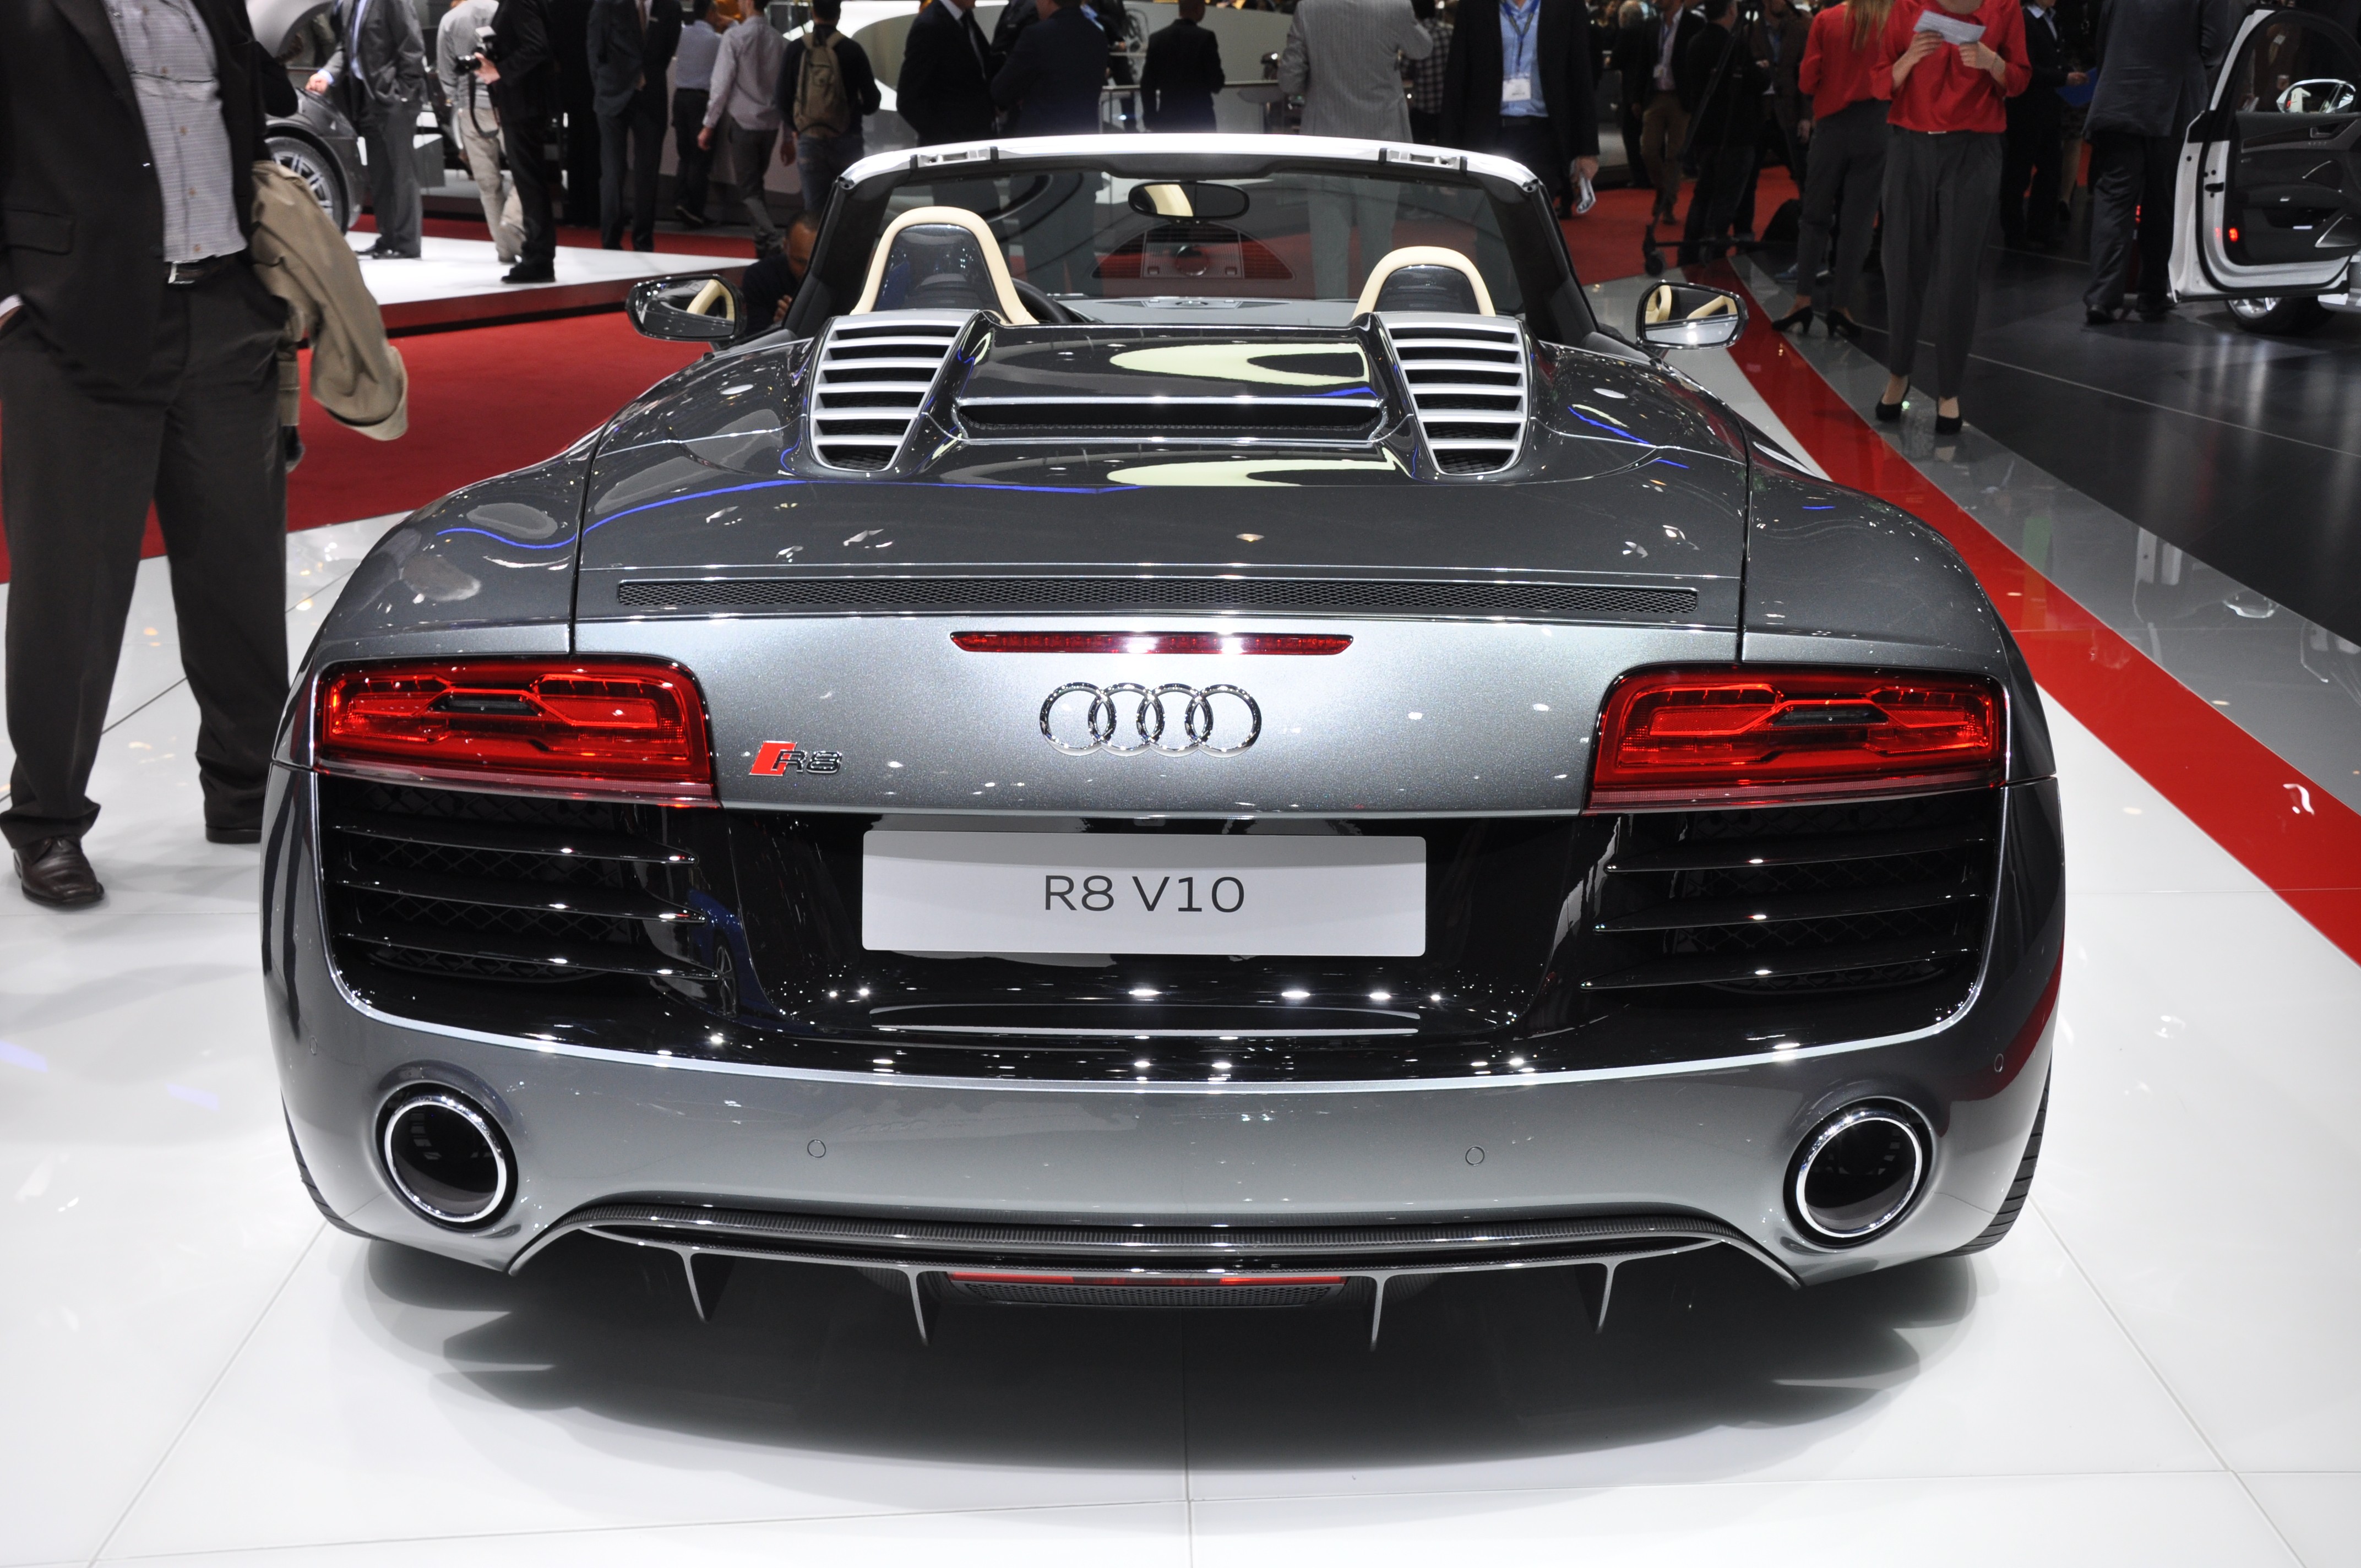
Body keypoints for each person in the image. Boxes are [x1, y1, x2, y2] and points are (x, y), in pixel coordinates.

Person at [1, 0, 293, 904]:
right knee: (72, 590)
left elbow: (251, 117)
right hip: (72, 324)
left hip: (224, 310)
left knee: (241, 573)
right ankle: (48, 819)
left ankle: (248, 791)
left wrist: (263, 296)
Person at [1874, 0, 2030, 434]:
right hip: (1910, 145)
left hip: (1973, 150)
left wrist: (1993, 62)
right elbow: (1879, 82)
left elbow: (2020, 80)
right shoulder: (1906, 6)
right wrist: (1910, 57)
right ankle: (1898, 373)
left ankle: (1949, 390)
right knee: (1901, 264)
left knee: (1959, 272)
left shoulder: (2004, 8)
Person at [2081, 0, 2231, 323]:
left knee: (2113, 201)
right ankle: (2151, 295)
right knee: (2162, 204)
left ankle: (2102, 299)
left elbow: (2102, 35)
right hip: (2171, 102)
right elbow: (2216, 45)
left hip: (2118, 97)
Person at [1277, 0, 1431, 295]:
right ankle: (1376, 315)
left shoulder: (1309, 8)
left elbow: (1289, 81)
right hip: (1381, 146)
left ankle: (1332, 318)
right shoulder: (1394, 6)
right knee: (1378, 246)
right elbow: (1422, 48)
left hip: (1325, 146)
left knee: (1328, 251)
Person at [1777, 0, 1891, 337]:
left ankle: (1802, 299)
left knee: (1815, 216)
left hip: (1832, 126)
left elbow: (1807, 81)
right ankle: (1842, 306)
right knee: (1859, 222)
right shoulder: (1892, 20)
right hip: (1877, 126)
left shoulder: (1827, 20)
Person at [1440, 0, 1601, 215]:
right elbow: (1456, 78)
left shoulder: (1566, 5)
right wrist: (1448, 151)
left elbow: (1581, 75)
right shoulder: (1475, 6)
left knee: (1535, 222)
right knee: (1489, 222)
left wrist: (1588, 150)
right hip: (1487, 135)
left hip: (1543, 136)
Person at [308, 0, 429, 257]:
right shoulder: (352, 4)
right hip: (368, 98)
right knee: (380, 173)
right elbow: (346, 47)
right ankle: (389, 239)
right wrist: (326, 74)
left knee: (402, 172)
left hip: (394, 98)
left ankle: (407, 243)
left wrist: (404, 92)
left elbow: (412, 44)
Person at [476, 0, 563, 281]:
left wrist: (499, 70)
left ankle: (539, 258)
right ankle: (537, 255)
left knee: (530, 182)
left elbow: (537, 47)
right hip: (526, 103)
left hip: (525, 104)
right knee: (529, 182)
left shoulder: (518, 2)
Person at [1676, 0, 1767, 262]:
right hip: (1735, 133)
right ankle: (1714, 249)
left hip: (1705, 131)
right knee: (1727, 197)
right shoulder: (1733, 45)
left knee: (1703, 193)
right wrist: (1762, 71)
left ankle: (1690, 250)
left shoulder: (1695, 42)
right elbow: (1756, 82)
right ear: (1731, 10)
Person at [589, 0, 683, 251]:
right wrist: (605, 87)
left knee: (648, 172)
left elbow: (667, 52)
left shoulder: (670, 7)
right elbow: (595, 50)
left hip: (651, 97)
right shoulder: (607, 5)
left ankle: (643, 240)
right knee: (613, 171)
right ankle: (611, 241)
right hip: (612, 95)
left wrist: (646, 79)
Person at [438, 0, 526, 263]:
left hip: (471, 108)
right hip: (506, 104)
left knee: (488, 184)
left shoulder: (451, 19)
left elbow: (447, 72)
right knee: (524, 173)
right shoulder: (502, 10)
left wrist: (459, 102)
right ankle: (512, 222)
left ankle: (504, 249)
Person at [777, 0, 879, 224]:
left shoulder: (796, 49)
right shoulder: (852, 50)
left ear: (813, 12)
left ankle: (815, 245)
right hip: (848, 139)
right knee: (848, 211)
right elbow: (873, 101)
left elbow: (782, 99)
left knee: (815, 215)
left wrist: (799, 127)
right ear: (839, 14)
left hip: (810, 141)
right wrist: (853, 111)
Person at [701, 0, 786, 248]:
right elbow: (785, 92)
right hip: (770, 125)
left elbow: (721, 85)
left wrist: (709, 125)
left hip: (743, 123)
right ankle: (762, 244)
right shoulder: (780, 41)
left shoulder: (734, 37)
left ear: (748, 2)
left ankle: (773, 239)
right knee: (756, 186)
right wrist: (789, 136)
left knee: (749, 190)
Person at [1999, 0, 2081, 249]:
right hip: (2025, 107)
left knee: (2051, 169)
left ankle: (2041, 229)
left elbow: (2053, 58)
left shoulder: (2052, 18)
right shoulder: (2024, 20)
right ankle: (2014, 232)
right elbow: (2028, 68)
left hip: (2049, 106)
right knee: (2019, 171)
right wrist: (2063, 77)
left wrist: (2066, 72)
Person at [993, 0, 1113, 137]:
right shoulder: (1097, 36)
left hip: (1042, 138)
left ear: (1047, 1)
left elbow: (1001, 90)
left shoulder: (1036, 36)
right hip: (1085, 134)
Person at [1633, 0, 1705, 224]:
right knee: (1648, 150)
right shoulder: (1651, 25)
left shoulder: (1694, 24)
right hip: (1656, 96)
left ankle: (1668, 203)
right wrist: (1636, 97)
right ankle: (1662, 189)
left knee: (1675, 155)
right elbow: (1642, 63)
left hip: (1681, 99)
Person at [900, 0, 1001, 145]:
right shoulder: (929, 26)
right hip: (953, 148)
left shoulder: (965, 17)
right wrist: (947, 142)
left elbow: (978, 71)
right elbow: (908, 100)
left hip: (979, 139)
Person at [671, 0, 724, 224]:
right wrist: (730, 25)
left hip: (680, 99)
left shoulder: (682, 35)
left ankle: (680, 201)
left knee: (685, 155)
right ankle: (693, 208)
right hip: (700, 101)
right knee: (700, 157)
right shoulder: (716, 40)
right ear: (710, 13)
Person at [1141, 0, 1226, 132]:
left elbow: (1147, 84)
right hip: (1201, 119)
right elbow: (1216, 83)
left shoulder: (1157, 39)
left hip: (1167, 119)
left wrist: (1150, 118)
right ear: (1199, 9)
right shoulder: (1206, 38)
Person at [741, 207, 821, 326]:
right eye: (800, 261)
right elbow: (754, 333)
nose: (807, 271)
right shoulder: (760, 277)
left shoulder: (843, 280)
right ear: (785, 246)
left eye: (815, 263)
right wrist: (780, 326)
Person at [1407, 0, 1455, 146]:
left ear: (1414, 13)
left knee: (1418, 149)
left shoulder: (1415, 38)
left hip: (1423, 107)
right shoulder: (1450, 32)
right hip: (1447, 107)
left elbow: (1403, 70)